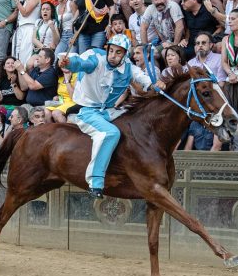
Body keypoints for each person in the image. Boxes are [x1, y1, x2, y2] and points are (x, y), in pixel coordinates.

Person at [60, 34, 164, 197]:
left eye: (118, 53)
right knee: (110, 133)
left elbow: (141, 77)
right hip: (86, 111)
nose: (113, 56)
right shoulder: (96, 59)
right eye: (111, 51)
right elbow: (81, 63)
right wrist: (69, 63)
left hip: (109, 111)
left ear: (125, 55)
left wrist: (154, 83)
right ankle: (95, 181)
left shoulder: (128, 67)